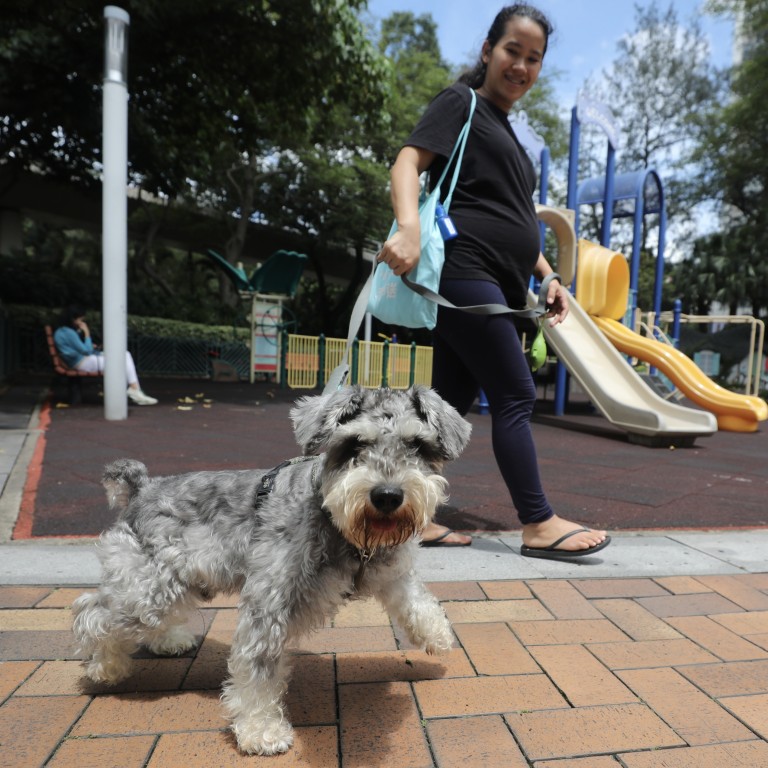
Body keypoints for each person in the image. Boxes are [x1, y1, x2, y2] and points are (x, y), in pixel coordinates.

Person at [379, 4, 610, 558]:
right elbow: (408, 161)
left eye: (534, 59)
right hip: (465, 270)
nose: (521, 66)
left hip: (502, 284)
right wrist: (409, 228)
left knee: (448, 405)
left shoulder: (511, 136)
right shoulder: (462, 103)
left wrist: (549, 275)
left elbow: (519, 219)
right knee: (515, 392)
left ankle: (403, 513)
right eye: (513, 51)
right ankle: (538, 523)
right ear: (488, 50)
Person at [53, 305, 158, 406]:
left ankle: (134, 389)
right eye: (80, 320)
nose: (81, 323)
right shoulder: (68, 333)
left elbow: (81, 348)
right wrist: (87, 333)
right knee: (124, 356)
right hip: (82, 362)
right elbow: (87, 350)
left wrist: (88, 343)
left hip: (80, 361)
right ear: (73, 318)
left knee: (124, 355)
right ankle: (134, 389)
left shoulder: (61, 332)